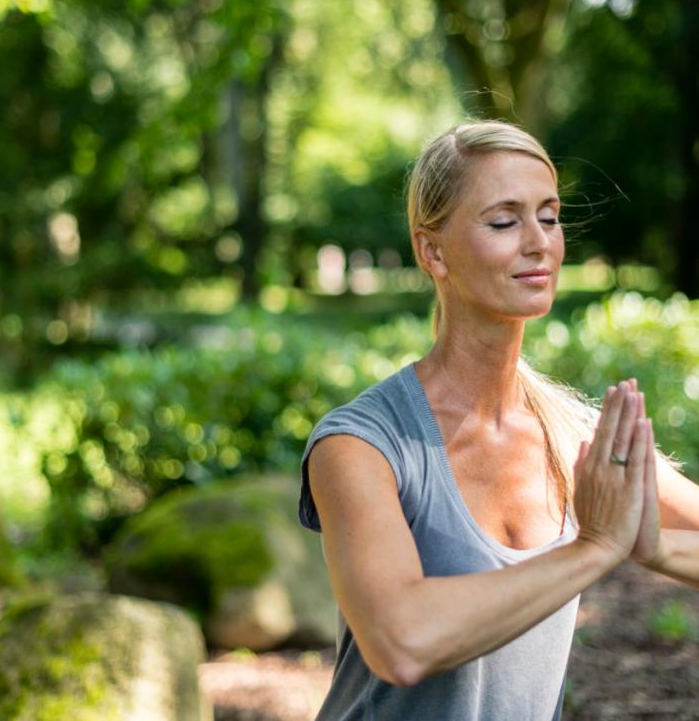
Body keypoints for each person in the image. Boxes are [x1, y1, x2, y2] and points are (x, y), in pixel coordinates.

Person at [298, 121, 699, 720]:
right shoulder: (360, 447)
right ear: (433, 251)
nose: (539, 242)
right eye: (504, 221)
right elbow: (400, 643)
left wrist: (651, 547)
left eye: (550, 215)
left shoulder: (574, 438)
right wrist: (593, 551)